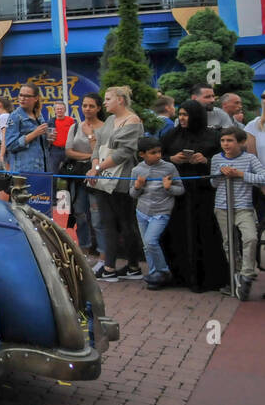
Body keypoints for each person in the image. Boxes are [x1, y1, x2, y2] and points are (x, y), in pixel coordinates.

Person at [160, 100, 230, 292]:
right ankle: (180, 275)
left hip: (204, 193)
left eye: (186, 115)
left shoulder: (213, 137)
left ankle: (207, 278)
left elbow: (224, 160)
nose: (182, 118)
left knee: (204, 233)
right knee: (177, 233)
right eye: (180, 114)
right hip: (178, 192)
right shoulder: (171, 135)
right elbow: (158, 158)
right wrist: (172, 159)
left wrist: (205, 160)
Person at [88, 86, 144, 280]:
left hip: (121, 179)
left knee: (125, 222)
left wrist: (97, 168)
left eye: (108, 98)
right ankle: (112, 267)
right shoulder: (110, 120)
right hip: (103, 178)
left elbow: (124, 153)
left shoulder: (133, 121)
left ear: (120, 100)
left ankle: (130, 265)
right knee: (108, 222)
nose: (105, 102)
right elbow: (97, 147)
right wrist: (95, 166)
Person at [210, 128, 265, 299]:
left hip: (243, 207)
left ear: (241, 143)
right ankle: (238, 274)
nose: (226, 144)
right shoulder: (217, 158)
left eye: (230, 140)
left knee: (250, 237)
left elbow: (263, 177)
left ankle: (247, 273)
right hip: (222, 207)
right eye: (223, 140)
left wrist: (240, 174)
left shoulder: (250, 158)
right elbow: (213, 183)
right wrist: (221, 173)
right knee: (229, 243)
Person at [130, 136, 184, 290]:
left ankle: (163, 271)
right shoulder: (137, 170)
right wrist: (138, 186)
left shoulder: (169, 168)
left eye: (159, 152)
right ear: (142, 154)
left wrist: (169, 187)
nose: (158, 155)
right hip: (142, 211)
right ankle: (155, 275)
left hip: (161, 211)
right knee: (147, 246)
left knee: (151, 241)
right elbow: (132, 194)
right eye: (153, 153)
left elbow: (180, 189)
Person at [65, 93, 104, 256]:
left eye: (91, 106)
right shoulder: (75, 127)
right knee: (79, 212)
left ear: (99, 108)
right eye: (84, 105)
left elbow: (103, 153)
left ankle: (103, 252)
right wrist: (89, 156)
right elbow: (68, 151)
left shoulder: (104, 127)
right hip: (78, 176)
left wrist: (90, 137)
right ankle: (85, 248)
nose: (87, 109)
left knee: (97, 217)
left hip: (98, 175)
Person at [5, 84, 50, 174]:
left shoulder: (38, 115)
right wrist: (34, 134)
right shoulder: (15, 116)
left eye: (27, 96)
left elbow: (41, 144)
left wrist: (48, 138)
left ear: (36, 98)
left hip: (42, 167)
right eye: (21, 95)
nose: (22, 98)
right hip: (23, 169)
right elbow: (10, 145)